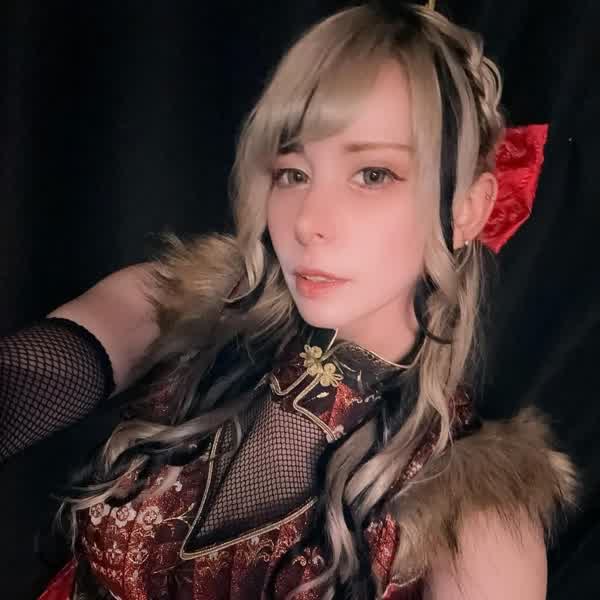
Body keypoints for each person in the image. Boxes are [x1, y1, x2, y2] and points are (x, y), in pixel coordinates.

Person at [2, 3, 577, 599]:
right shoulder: (178, 313)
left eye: (373, 174)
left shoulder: (478, 518)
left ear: (467, 210)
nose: (307, 222)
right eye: (292, 173)